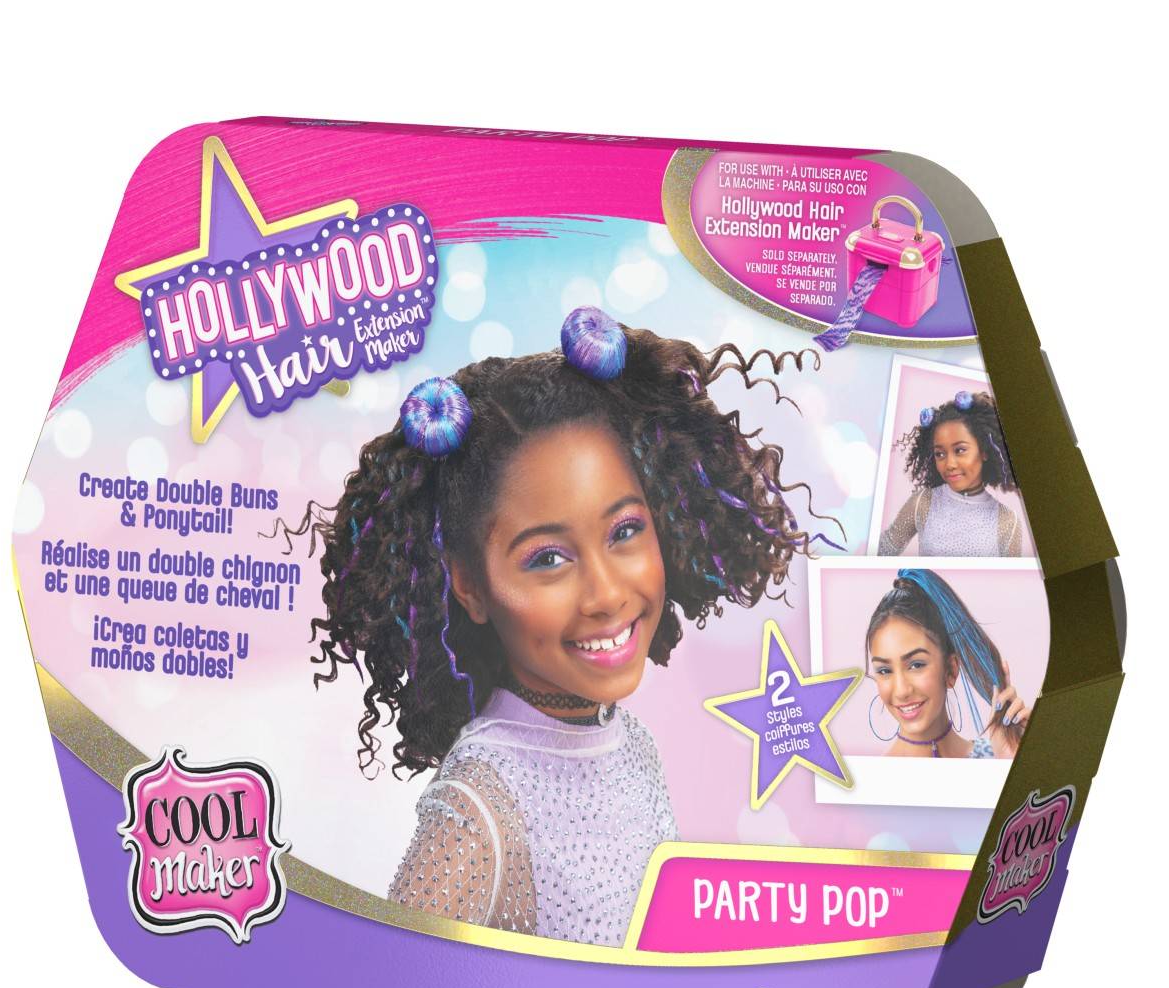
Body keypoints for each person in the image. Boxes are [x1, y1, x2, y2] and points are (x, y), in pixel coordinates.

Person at [294, 307, 830, 945]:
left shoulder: (633, 745)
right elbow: (397, 982)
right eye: (548, 559)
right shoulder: (479, 810)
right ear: (469, 585)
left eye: (625, 530)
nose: (605, 594)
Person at [866, 568, 1030, 759]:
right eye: (884, 670)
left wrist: (1009, 761)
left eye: (916, 665)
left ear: (951, 670)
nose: (901, 691)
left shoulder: (994, 757)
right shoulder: (869, 774)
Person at [878, 391, 1023, 556]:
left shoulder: (1007, 522)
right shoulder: (923, 502)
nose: (949, 464)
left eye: (960, 450)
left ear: (984, 451)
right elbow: (881, 552)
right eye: (940, 454)